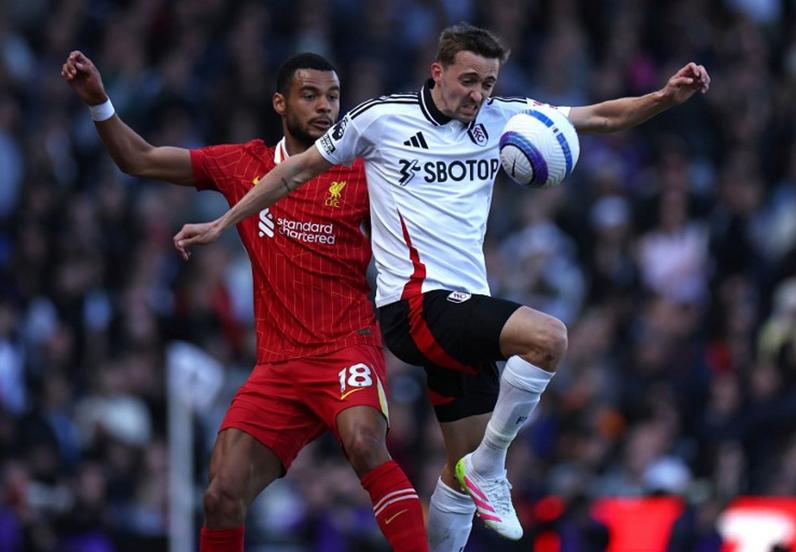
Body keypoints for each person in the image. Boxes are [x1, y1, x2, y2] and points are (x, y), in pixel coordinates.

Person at [173, 22, 711, 549]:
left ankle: (476, 478)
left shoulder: (503, 120)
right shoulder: (379, 119)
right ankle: (494, 466)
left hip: (462, 309)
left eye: (489, 83)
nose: (478, 94)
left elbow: (600, 116)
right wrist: (223, 223)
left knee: (458, 476)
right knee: (548, 338)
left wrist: (664, 96)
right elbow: (292, 173)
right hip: (413, 305)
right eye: (469, 80)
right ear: (438, 72)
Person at [61, 50, 428, 552]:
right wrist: (100, 102)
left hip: (348, 347)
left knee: (365, 443)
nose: (325, 107)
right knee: (220, 495)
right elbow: (139, 159)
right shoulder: (243, 164)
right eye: (311, 95)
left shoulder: (361, 172)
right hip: (278, 368)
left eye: (334, 96)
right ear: (280, 103)